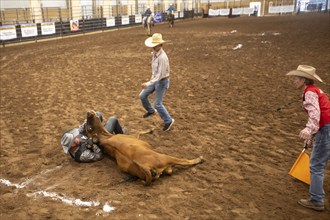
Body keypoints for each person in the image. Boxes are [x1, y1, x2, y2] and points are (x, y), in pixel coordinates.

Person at [286, 65, 330, 211]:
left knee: (316, 164)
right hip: (326, 126)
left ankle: (317, 200)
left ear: (304, 80)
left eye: (296, 78)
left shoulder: (310, 93)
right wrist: (312, 135)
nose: (294, 81)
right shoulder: (314, 90)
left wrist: (309, 129)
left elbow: (315, 114)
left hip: (326, 128)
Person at [139, 33, 174, 131]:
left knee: (157, 104)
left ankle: (168, 120)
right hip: (155, 80)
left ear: (160, 45)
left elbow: (160, 76)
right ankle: (151, 111)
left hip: (161, 82)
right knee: (142, 96)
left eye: (155, 45)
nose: (153, 47)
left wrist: (148, 83)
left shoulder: (162, 58)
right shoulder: (155, 54)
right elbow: (155, 73)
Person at [60, 112, 127, 162]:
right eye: (74, 140)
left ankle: (106, 129)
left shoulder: (75, 142)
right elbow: (99, 156)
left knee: (97, 115)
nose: (77, 138)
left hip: (93, 137)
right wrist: (94, 146)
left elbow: (81, 129)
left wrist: (88, 120)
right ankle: (121, 136)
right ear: (72, 146)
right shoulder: (83, 155)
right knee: (113, 119)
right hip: (101, 143)